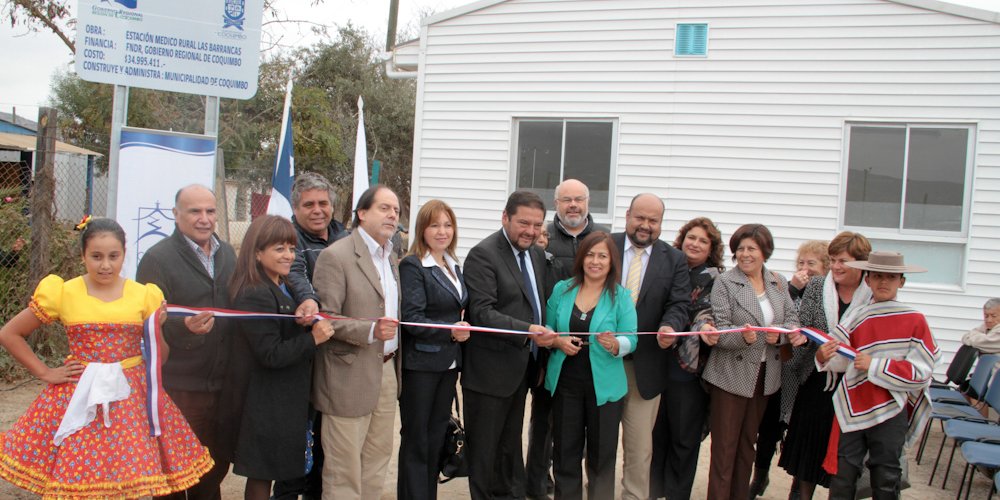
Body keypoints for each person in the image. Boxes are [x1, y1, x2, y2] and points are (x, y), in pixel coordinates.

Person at [0, 218, 213, 498]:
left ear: (124, 254)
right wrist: (45, 372)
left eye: (114, 256)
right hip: (78, 395)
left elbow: (159, 359)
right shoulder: (62, 292)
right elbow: (10, 334)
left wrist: (157, 327)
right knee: (77, 472)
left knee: (127, 476)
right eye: (96, 257)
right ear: (83, 256)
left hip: (131, 398)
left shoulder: (144, 295)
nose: (105, 265)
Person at [215, 215, 336, 500]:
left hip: (282, 399)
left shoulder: (284, 285)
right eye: (279, 249)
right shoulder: (254, 293)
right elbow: (269, 353)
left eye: (291, 248)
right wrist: (313, 338)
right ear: (257, 252)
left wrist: (303, 319)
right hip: (263, 403)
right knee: (261, 474)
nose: (289, 255)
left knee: (272, 472)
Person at [137, 184, 236, 500]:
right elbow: (145, 322)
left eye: (210, 211)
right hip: (179, 386)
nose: (204, 218)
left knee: (214, 468)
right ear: (175, 214)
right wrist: (184, 328)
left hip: (221, 383)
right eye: (195, 211)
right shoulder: (157, 259)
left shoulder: (227, 253)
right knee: (173, 473)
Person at [816, 251, 939, 500]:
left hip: (891, 408)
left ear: (901, 282)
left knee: (886, 477)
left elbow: (922, 371)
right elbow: (842, 360)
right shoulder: (856, 316)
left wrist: (875, 365)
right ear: (868, 280)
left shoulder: (915, 320)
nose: (883, 282)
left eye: (891, 277)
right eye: (878, 276)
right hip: (853, 404)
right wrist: (823, 356)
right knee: (843, 476)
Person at [462, 190, 557, 500]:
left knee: (509, 445)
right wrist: (528, 331)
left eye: (538, 225)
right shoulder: (483, 254)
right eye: (523, 223)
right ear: (505, 217)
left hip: (521, 369)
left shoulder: (537, 254)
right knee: (485, 451)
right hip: (489, 371)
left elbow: (538, 303)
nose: (530, 231)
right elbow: (482, 312)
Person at [310, 184, 402, 500]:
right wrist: (370, 331)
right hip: (347, 374)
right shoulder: (335, 256)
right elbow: (325, 318)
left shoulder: (391, 257)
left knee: (377, 461)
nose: (393, 214)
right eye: (384, 208)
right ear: (362, 213)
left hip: (387, 371)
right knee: (343, 470)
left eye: (397, 210)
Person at [700, 223, 804, 500]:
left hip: (764, 376)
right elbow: (720, 328)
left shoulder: (777, 282)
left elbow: (792, 321)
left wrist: (779, 337)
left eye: (752, 249)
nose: (745, 254)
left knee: (748, 446)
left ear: (764, 252)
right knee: (724, 449)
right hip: (729, 376)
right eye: (740, 249)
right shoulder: (725, 282)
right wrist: (743, 339)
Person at [527, 178, 608, 499]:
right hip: (549, 347)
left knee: (581, 431)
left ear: (588, 202)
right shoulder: (541, 241)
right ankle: (535, 485)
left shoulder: (601, 239)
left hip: (593, 357)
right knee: (543, 423)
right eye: (566, 200)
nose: (573, 205)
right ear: (556, 204)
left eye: (579, 199)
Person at [778, 232, 872, 500]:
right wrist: (811, 349)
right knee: (808, 452)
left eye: (843, 261)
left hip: (853, 384)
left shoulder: (871, 294)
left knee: (843, 456)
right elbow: (805, 325)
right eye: (832, 260)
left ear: (862, 264)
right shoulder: (819, 286)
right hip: (817, 380)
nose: (836, 267)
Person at [544, 231, 637, 499]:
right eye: (590, 255)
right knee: (565, 455)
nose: (595, 261)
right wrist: (557, 341)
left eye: (602, 256)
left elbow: (632, 338)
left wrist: (616, 345)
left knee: (601, 458)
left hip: (605, 390)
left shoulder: (621, 296)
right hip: (565, 385)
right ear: (581, 258)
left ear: (612, 262)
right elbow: (548, 327)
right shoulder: (562, 289)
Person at [610, 193, 690, 500]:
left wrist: (670, 325)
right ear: (628, 215)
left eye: (653, 221)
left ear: (661, 223)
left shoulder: (675, 259)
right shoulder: (605, 245)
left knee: (640, 447)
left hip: (647, 367)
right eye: (640, 218)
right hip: (603, 362)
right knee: (600, 443)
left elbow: (679, 303)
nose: (645, 226)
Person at [274, 172, 348, 500]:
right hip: (302, 355)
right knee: (296, 441)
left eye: (323, 203)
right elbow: (295, 274)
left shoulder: (345, 237)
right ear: (295, 208)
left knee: (326, 443)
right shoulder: (287, 237)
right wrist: (311, 302)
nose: (317, 210)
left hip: (338, 356)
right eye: (309, 205)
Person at [397, 200, 471, 500]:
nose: (443, 231)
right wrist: (449, 331)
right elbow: (412, 319)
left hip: (447, 365)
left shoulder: (453, 264)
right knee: (416, 439)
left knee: (435, 436)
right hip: (421, 366)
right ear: (422, 230)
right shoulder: (413, 264)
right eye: (435, 225)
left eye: (448, 225)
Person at [650, 216, 724, 500]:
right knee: (656, 436)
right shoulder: (665, 268)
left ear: (711, 249)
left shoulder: (716, 279)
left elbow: (708, 313)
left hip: (689, 370)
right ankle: (652, 491)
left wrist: (702, 326)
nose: (695, 244)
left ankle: (676, 494)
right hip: (656, 362)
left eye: (703, 241)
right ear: (681, 240)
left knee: (684, 438)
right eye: (691, 237)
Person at [750, 239, 831, 499]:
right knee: (767, 430)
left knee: (799, 433)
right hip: (781, 369)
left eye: (812, 263)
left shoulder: (827, 297)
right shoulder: (786, 288)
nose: (805, 268)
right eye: (801, 263)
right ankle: (759, 478)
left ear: (826, 267)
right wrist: (794, 289)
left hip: (808, 374)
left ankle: (798, 489)